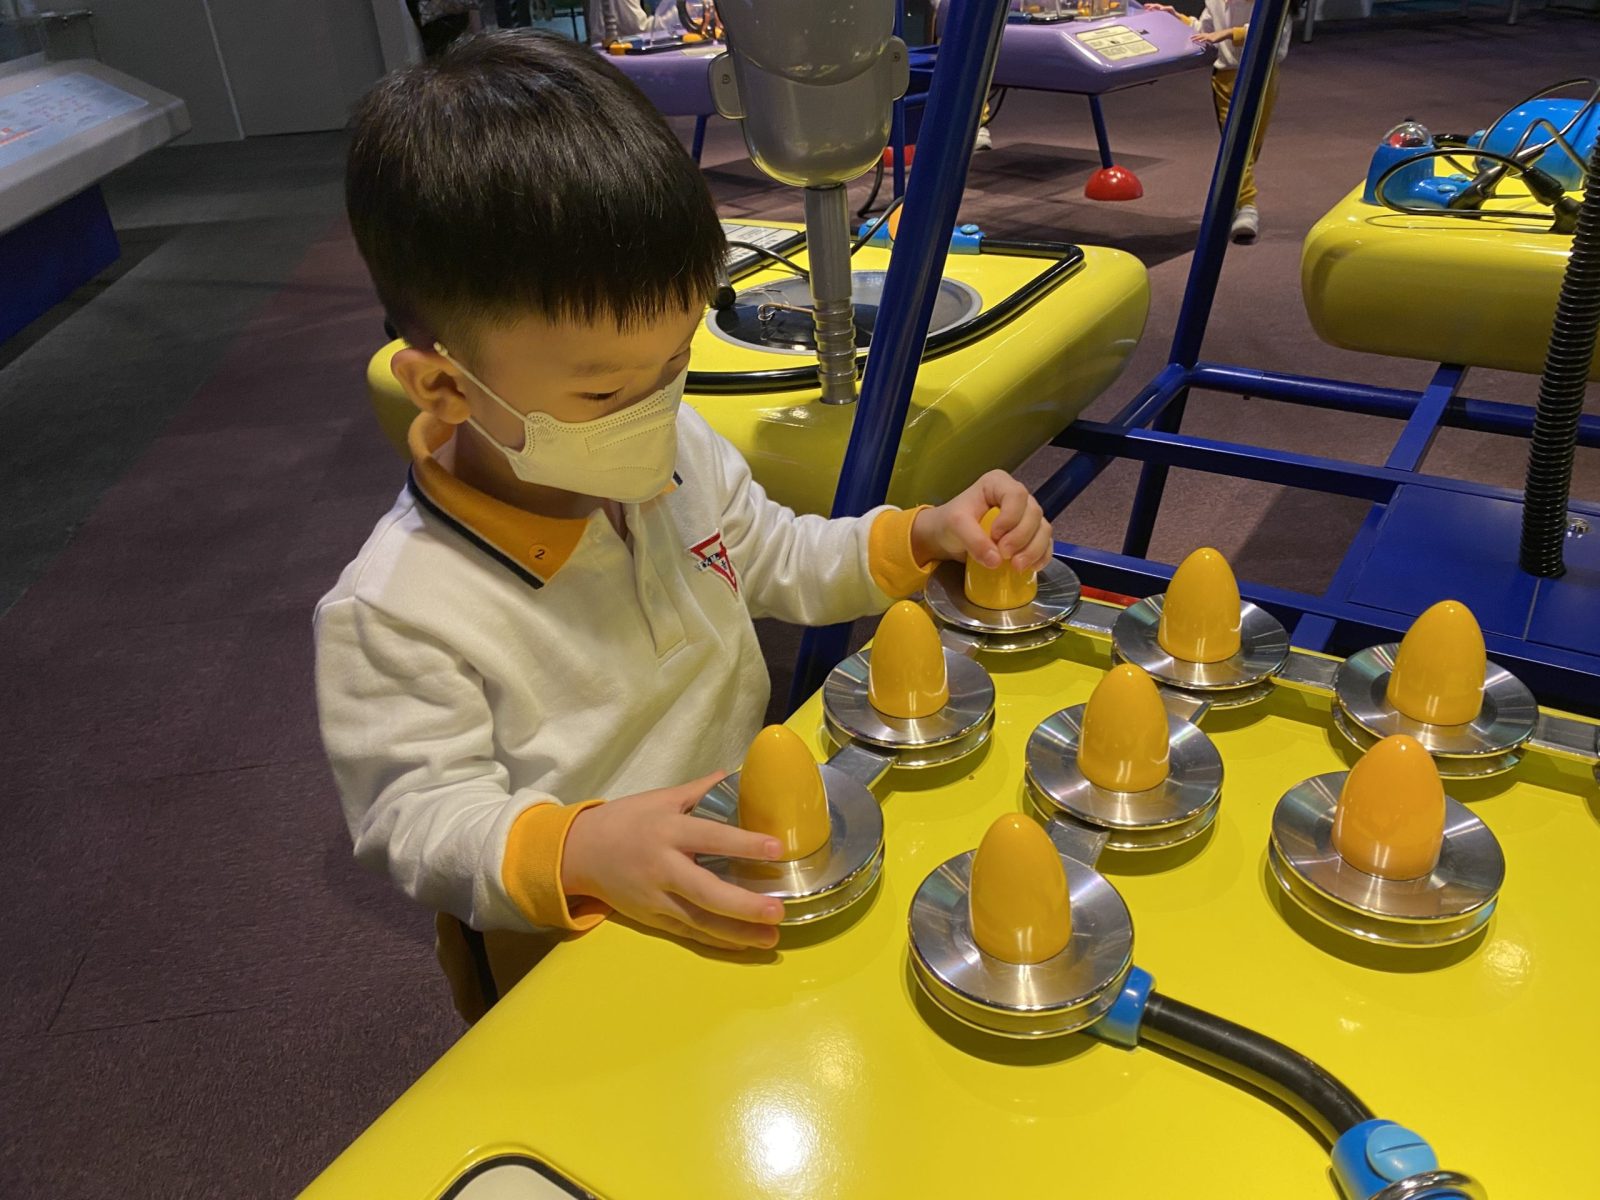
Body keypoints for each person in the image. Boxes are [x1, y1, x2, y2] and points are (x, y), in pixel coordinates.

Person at [319, 31, 1054, 1022]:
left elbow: (778, 557)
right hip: (570, 959)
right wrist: (578, 848)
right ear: (446, 389)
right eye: (603, 393)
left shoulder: (677, 447)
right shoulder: (395, 609)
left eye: (672, 366)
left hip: (740, 870)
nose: (652, 415)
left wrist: (921, 535)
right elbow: (414, 821)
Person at [1146, 0, 1292, 243]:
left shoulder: (1271, 4)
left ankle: (1235, 199)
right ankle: (1247, 205)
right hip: (1226, 78)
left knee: (1251, 144)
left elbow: (1272, 32)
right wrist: (1176, 17)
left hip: (1263, 74)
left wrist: (1229, 33)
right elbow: (1203, 30)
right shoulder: (1217, 2)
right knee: (1236, 143)